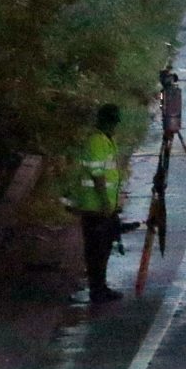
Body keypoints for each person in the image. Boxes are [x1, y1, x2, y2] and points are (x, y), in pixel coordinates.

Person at [70, 104, 127, 303]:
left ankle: (100, 287)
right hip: (95, 206)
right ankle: (97, 290)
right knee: (96, 250)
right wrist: (104, 201)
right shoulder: (96, 141)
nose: (114, 126)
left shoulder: (106, 140)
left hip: (104, 206)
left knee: (103, 248)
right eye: (111, 122)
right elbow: (98, 175)